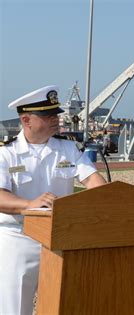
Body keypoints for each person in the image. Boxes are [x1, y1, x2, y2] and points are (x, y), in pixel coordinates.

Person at [0, 85, 106, 315]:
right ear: (26, 120)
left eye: (56, 114)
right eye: (48, 115)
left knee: (64, 306)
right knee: (14, 309)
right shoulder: (5, 153)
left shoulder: (67, 148)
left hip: (61, 238)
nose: (55, 119)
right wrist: (29, 205)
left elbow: (93, 180)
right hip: (19, 240)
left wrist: (103, 200)